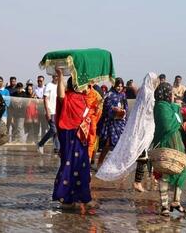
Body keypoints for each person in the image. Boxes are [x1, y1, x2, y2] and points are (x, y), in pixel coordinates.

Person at [96, 73, 159, 193]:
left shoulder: (142, 92)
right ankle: (133, 179)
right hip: (139, 127)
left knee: (137, 153)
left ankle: (130, 176)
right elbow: (147, 111)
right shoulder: (147, 93)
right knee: (129, 151)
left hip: (133, 125)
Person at [151, 82, 186, 216]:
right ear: (165, 94)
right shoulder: (160, 107)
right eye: (171, 93)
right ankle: (164, 206)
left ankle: (176, 202)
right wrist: (185, 125)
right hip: (166, 143)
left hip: (177, 143)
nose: (173, 96)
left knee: (182, 171)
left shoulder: (170, 106)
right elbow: (167, 125)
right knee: (165, 173)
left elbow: (182, 112)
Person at [52, 68, 96, 213]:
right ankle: (67, 200)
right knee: (68, 165)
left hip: (81, 135)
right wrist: (59, 76)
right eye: (82, 84)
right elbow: (60, 95)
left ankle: (85, 199)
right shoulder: (68, 96)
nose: (85, 87)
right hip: (68, 134)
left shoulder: (84, 98)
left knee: (82, 166)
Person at [97, 78, 128, 167]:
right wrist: (113, 109)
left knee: (120, 144)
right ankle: (100, 163)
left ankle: (118, 165)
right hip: (110, 123)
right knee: (107, 144)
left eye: (121, 86)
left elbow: (125, 107)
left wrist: (123, 112)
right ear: (114, 85)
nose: (119, 88)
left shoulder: (123, 95)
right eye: (118, 86)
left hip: (120, 123)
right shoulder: (109, 94)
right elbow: (105, 106)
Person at [37, 75, 60, 154]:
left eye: (58, 76)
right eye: (55, 76)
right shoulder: (49, 85)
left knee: (56, 131)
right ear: (53, 77)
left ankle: (57, 148)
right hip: (51, 111)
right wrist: (47, 111)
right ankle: (41, 143)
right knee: (54, 129)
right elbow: (45, 99)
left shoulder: (60, 86)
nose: (56, 78)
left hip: (58, 111)